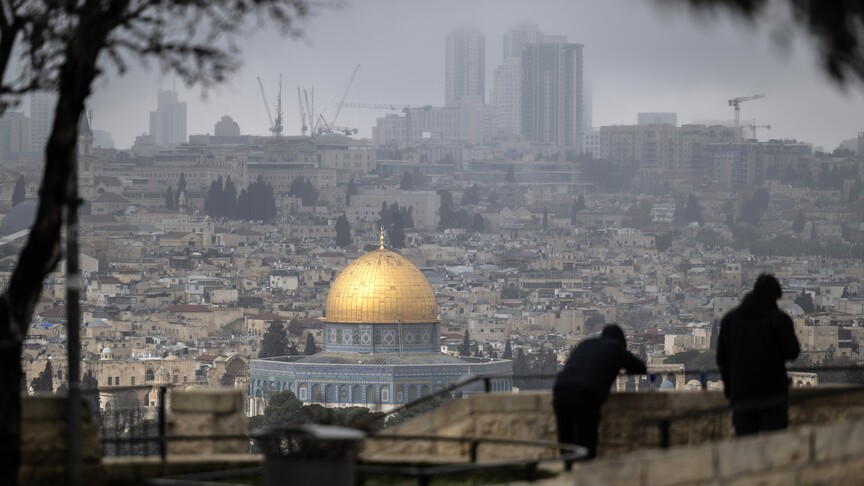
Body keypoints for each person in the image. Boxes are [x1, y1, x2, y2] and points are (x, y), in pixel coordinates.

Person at [717, 273, 801, 436]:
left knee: (746, 447)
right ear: (774, 296)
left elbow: (722, 359)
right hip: (773, 395)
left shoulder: (730, 320)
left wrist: (730, 390)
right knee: (774, 446)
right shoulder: (779, 320)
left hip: (741, 395)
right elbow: (792, 352)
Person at [553, 324, 646, 462]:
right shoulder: (615, 349)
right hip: (585, 396)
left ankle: (567, 473)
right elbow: (641, 368)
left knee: (565, 439)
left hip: (561, 391)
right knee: (585, 441)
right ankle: (583, 478)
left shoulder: (585, 344)